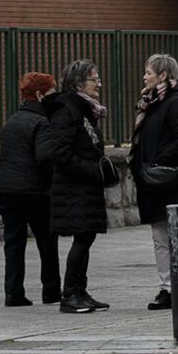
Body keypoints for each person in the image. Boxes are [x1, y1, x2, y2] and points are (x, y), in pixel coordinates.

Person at [131, 54, 178, 311]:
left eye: (149, 72)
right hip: (153, 181)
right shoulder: (150, 104)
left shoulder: (176, 102)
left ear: (163, 75)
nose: (144, 77)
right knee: (160, 237)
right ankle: (168, 289)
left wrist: (159, 161)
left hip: (172, 179)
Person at [43, 59, 112, 315]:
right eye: (95, 80)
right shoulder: (67, 111)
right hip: (74, 188)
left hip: (86, 187)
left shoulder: (85, 110)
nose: (99, 85)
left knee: (87, 236)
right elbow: (60, 152)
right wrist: (91, 169)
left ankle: (80, 291)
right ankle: (69, 294)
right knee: (81, 238)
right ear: (78, 83)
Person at [0, 72, 61, 307]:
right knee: (47, 241)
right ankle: (51, 290)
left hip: (6, 189)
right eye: (52, 92)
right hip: (34, 192)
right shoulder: (42, 122)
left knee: (13, 242)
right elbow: (44, 157)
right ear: (40, 94)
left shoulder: (12, 120)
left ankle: (13, 292)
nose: (56, 96)